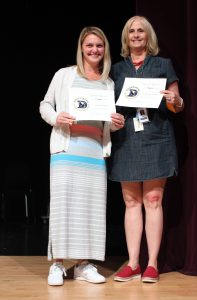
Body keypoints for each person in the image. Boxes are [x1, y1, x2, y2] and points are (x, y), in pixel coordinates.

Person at [39, 26, 125, 286]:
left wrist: (116, 124)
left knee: (91, 210)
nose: (95, 50)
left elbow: (106, 122)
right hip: (67, 151)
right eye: (89, 45)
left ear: (105, 49)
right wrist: (56, 117)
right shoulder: (65, 75)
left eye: (99, 45)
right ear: (81, 48)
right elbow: (45, 105)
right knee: (64, 208)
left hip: (94, 154)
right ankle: (57, 265)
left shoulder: (108, 82)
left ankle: (83, 265)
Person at [107, 15, 184, 283]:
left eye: (141, 30)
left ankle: (152, 264)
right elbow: (108, 107)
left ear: (148, 36)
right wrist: (111, 119)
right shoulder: (116, 69)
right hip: (127, 139)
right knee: (131, 202)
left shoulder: (163, 65)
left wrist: (176, 100)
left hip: (157, 137)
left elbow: (176, 105)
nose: (136, 35)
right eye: (132, 31)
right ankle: (133, 263)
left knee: (153, 200)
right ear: (126, 37)